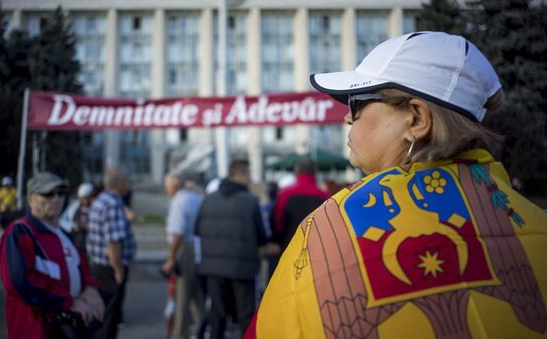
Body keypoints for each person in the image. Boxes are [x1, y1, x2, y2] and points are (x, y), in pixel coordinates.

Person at [246, 32, 547, 338]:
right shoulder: (535, 221)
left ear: (417, 119)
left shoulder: (328, 227)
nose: (348, 117)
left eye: (358, 102)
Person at [0, 171, 104, 339]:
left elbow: (82, 270)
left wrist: (90, 288)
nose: (56, 199)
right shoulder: (20, 232)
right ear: (31, 199)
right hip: (36, 331)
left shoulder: (65, 234)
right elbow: (18, 282)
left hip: (70, 329)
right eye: (48, 194)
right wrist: (69, 302)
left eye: (60, 193)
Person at [196, 160, 279, 339]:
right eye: (248, 174)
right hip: (243, 267)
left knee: (217, 315)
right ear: (240, 174)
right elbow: (262, 236)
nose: (250, 179)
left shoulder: (208, 199)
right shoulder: (250, 201)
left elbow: (197, 229)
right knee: (246, 316)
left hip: (213, 267)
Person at [87, 167, 137, 339]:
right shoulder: (113, 204)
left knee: (103, 314)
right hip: (110, 269)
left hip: (99, 266)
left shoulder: (102, 199)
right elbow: (113, 243)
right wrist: (118, 269)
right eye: (127, 181)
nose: (129, 185)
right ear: (121, 183)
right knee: (110, 317)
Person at [162, 173, 206, 339]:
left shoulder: (179, 201)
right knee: (194, 294)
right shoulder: (193, 197)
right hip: (195, 248)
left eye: (167, 187)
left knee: (182, 295)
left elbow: (177, 232)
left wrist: (171, 257)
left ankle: (180, 334)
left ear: (173, 186)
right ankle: (203, 323)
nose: (166, 191)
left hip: (184, 249)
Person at [272, 158, 330, 252]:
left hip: (288, 248)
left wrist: (277, 241)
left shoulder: (284, 195)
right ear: (315, 173)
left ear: (296, 172)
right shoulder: (325, 197)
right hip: (316, 250)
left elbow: (278, 223)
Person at [73, 182, 94, 257]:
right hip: (80, 241)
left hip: (91, 242)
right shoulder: (78, 206)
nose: (81, 201)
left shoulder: (95, 207)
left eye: (83, 198)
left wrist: (81, 225)